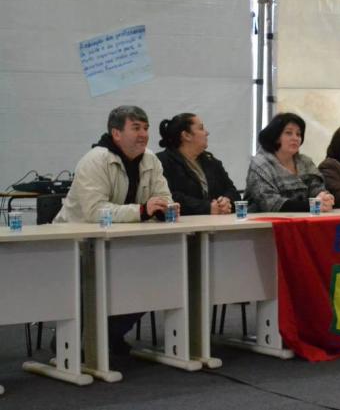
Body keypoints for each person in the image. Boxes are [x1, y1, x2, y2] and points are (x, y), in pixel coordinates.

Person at [54, 105, 174, 354]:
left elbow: (163, 196)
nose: (143, 134)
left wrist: (166, 208)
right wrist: (142, 211)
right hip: (78, 244)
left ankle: (108, 334)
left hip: (124, 243)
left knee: (155, 278)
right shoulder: (95, 160)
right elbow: (94, 211)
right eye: (136, 128)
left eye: (146, 128)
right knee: (109, 282)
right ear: (116, 133)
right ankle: (74, 341)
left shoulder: (151, 159)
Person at [244, 112, 334, 212]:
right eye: (288, 133)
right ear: (276, 137)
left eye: (298, 134)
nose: (295, 138)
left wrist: (325, 198)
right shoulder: (260, 164)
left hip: (303, 220)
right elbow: (270, 203)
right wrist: (312, 205)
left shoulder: (305, 162)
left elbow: (317, 189)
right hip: (263, 224)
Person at [157, 113, 240, 215]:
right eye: (201, 128)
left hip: (217, 226)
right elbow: (169, 197)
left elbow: (232, 191)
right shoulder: (162, 162)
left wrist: (227, 202)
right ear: (186, 135)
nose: (207, 132)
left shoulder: (211, 161)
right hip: (182, 227)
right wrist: (207, 208)